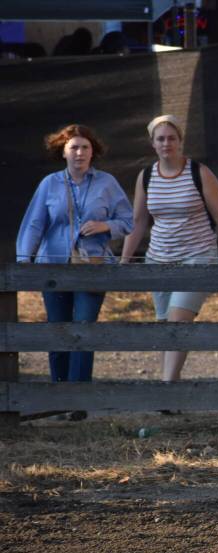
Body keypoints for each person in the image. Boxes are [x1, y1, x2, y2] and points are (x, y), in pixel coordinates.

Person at [16, 124, 133, 418]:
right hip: (53, 268)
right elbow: (34, 224)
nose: (79, 153)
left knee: (83, 328)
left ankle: (79, 400)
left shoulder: (107, 183)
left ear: (93, 152)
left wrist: (106, 226)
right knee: (58, 330)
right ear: (63, 151)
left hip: (93, 267)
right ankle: (58, 397)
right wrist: (23, 261)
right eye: (73, 147)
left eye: (85, 147)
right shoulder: (50, 184)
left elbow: (129, 221)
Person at [120, 114, 218, 382]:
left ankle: (165, 389)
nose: (166, 144)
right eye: (161, 139)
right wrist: (124, 260)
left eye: (172, 138)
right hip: (158, 258)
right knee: (165, 325)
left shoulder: (198, 173)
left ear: (180, 141)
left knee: (179, 320)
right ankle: (171, 387)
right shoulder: (146, 177)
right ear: (153, 144)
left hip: (197, 255)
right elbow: (139, 221)